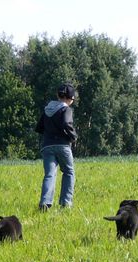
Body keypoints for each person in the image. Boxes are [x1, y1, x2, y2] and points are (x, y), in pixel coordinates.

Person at [35, 83, 78, 211]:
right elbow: (66, 123)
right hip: (62, 145)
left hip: (47, 146)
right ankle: (65, 204)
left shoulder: (47, 109)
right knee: (69, 172)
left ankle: (45, 203)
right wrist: (73, 136)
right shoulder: (66, 109)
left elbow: (39, 127)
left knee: (49, 175)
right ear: (70, 98)